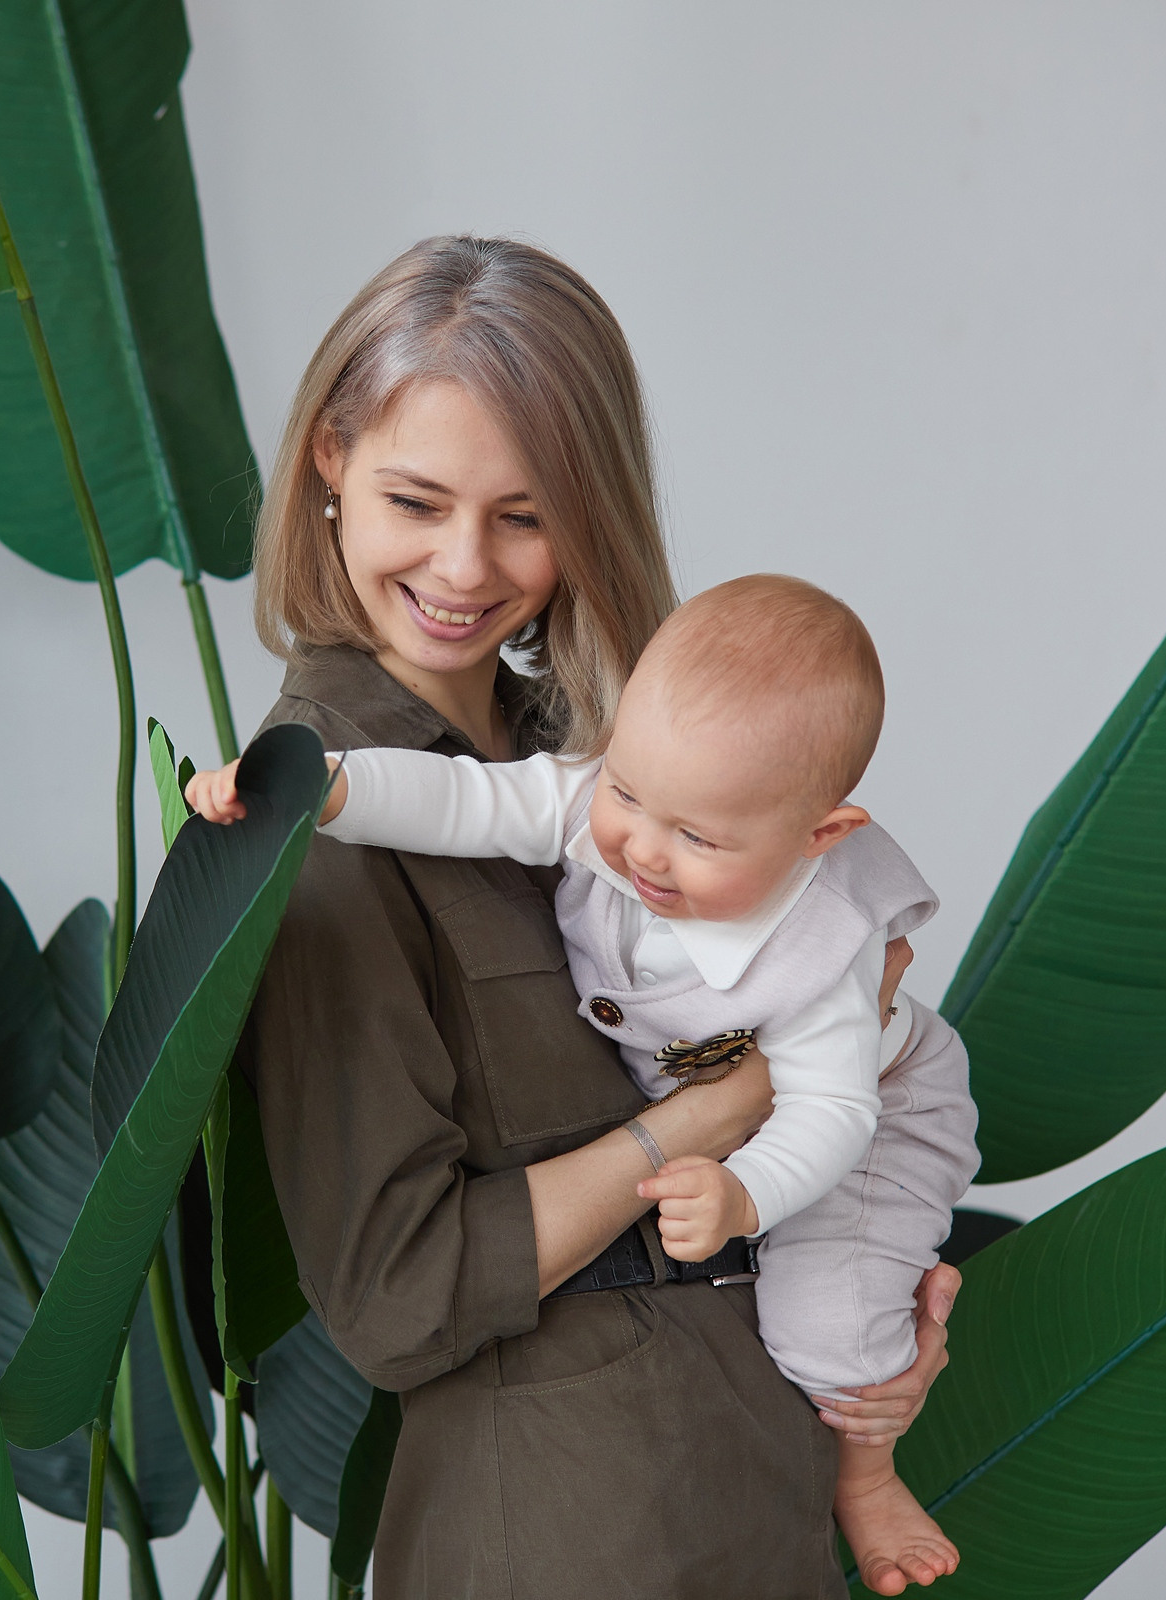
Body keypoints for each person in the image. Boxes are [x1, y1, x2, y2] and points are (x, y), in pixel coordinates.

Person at [231, 235, 963, 1599]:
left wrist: (869, 1345)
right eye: (416, 498)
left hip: (745, 1481)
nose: (465, 565)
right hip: (571, 1529)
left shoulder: (603, 754)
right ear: (329, 461)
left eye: (523, 514)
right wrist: (720, 1114)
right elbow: (402, 1291)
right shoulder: (320, 828)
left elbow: (838, 1016)